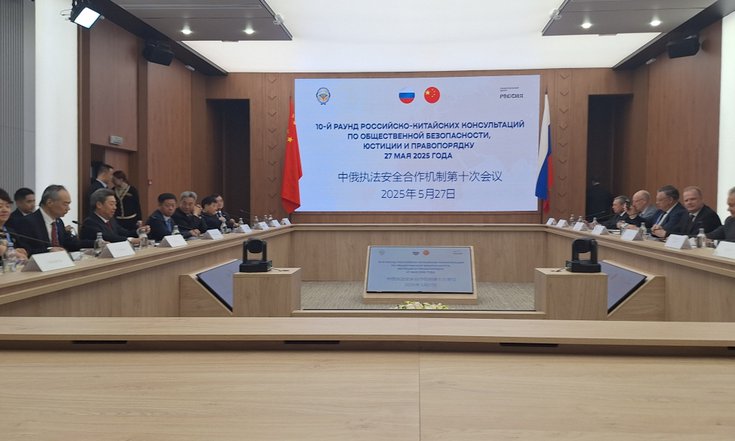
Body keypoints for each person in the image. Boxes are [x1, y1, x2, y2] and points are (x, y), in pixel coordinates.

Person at [15, 185, 89, 256]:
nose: (68, 208)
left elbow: (70, 243)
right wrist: (48, 251)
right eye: (65, 204)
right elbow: (25, 251)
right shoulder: (27, 222)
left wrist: (94, 243)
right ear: (49, 203)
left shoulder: (59, 222)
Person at [81, 189, 147, 245]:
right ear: (99, 205)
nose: (115, 208)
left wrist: (139, 231)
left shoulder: (111, 220)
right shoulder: (90, 222)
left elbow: (124, 233)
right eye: (111, 204)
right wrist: (130, 240)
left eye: (115, 204)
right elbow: (108, 237)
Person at [0, 188, 29, 261]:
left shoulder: (10, 231)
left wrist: (22, 251)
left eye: (8, 206)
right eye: (0, 206)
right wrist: (12, 252)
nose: (5, 210)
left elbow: (24, 251)